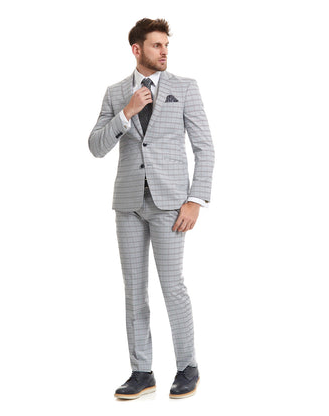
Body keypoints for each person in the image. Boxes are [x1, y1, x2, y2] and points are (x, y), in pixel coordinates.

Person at [88, 18, 214, 399]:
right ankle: (142, 372)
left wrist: (195, 200)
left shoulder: (184, 88)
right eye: (156, 45)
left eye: (166, 45)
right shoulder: (115, 93)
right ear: (137, 49)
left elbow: (205, 148)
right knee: (134, 289)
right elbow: (95, 146)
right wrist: (125, 113)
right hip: (128, 204)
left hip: (170, 205)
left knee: (172, 287)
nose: (164, 52)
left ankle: (188, 366)